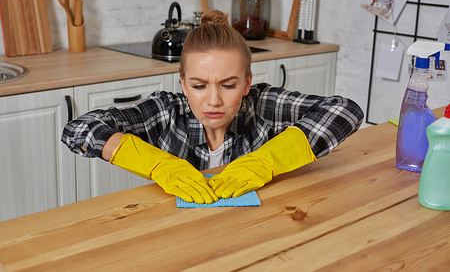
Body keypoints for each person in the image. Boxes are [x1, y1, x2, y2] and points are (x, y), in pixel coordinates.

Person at [62, 10, 364, 204]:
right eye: (199, 85)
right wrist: (158, 164)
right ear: (182, 84)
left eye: (229, 85)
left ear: (247, 84)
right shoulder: (167, 110)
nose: (214, 100)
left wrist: (266, 161)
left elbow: (345, 110)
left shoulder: (262, 104)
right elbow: (79, 129)